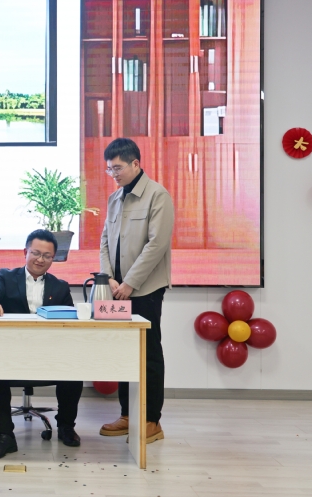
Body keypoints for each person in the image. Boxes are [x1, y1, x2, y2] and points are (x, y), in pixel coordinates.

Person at [0, 229, 82, 460]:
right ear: (25, 252)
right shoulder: (6, 277)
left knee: (74, 366)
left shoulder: (60, 286)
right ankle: (4, 435)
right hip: (12, 352)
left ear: (53, 258)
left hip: (48, 353)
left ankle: (66, 426)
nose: (40, 259)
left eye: (47, 256)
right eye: (35, 253)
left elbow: (70, 320)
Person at [98, 137, 174, 444]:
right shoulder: (114, 198)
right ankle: (128, 414)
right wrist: (108, 278)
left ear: (135, 164)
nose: (113, 174)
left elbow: (157, 244)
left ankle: (151, 420)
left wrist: (130, 282)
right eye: (109, 169)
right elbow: (104, 241)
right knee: (122, 352)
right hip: (117, 290)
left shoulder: (158, 195)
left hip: (145, 290)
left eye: (117, 168)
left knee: (148, 353)